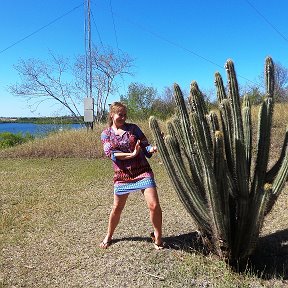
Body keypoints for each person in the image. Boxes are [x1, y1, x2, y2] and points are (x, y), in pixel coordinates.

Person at [99, 101, 163, 250]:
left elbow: (145, 146)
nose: (123, 117)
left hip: (142, 171)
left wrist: (154, 147)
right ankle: (109, 235)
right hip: (122, 176)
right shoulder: (106, 133)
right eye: (120, 114)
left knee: (154, 205)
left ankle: (158, 237)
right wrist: (132, 154)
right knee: (117, 208)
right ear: (112, 115)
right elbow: (112, 154)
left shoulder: (133, 128)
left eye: (125, 115)